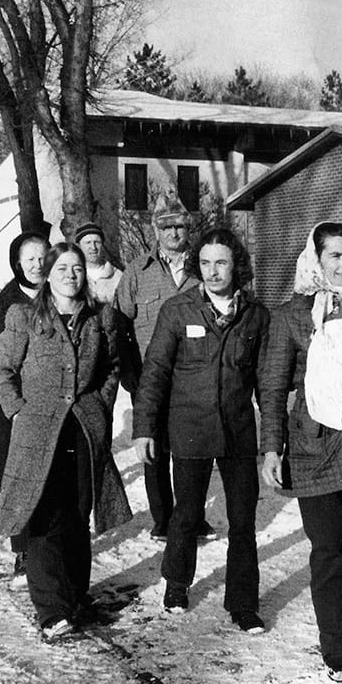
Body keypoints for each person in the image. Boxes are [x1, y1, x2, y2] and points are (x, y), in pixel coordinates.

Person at [132, 227, 273, 634]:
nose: (213, 272)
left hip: (237, 432)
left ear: (236, 266)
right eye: (206, 263)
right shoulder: (178, 311)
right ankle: (177, 583)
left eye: (222, 263)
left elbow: (266, 381)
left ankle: (243, 603)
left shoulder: (255, 315)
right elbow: (155, 372)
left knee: (242, 521)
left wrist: (273, 442)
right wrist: (144, 427)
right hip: (189, 427)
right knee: (187, 513)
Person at [0, 243, 132, 641]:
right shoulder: (24, 316)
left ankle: (74, 596)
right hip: (38, 430)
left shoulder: (98, 317)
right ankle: (52, 609)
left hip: (83, 430)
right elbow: (0, 368)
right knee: (44, 516)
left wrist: (101, 405)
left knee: (77, 514)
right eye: (62, 268)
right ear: (48, 274)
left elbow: (111, 368)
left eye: (77, 268)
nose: (71, 275)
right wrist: (17, 408)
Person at [263, 222, 342, 683]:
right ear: (317, 258)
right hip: (313, 444)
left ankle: (330, 602)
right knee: (327, 547)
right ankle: (337, 648)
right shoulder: (292, 315)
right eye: (335, 256)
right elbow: (272, 387)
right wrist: (272, 448)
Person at [114, 193, 208, 542]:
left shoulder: (203, 270)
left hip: (195, 377)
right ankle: (162, 518)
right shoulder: (137, 272)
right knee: (153, 447)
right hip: (149, 377)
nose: (173, 233)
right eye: (166, 226)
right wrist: (129, 373)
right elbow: (119, 325)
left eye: (180, 226)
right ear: (155, 229)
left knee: (192, 448)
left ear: (189, 228)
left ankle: (192, 516)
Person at [0, 230, 48, 589]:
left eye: (42, 256)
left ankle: (50, 550)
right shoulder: (5, 302)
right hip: (14, 406)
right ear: (17, 263)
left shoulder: (60, 292)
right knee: (18, 479)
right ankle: (23, 553)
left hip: (53, 405)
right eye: (28, 258)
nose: (36, 264)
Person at [73, 221, 122, 307]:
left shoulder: (117, 276)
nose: (93, 247)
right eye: (88, 242)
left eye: (97, 242)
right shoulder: (73, 274)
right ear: (79, 246)